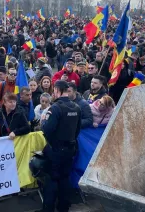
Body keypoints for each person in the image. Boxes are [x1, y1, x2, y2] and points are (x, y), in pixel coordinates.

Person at [41, 80, 81, 212]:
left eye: (54, 90)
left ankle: (49, 209)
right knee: (65, 179)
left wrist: (43, 122)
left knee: (52, 179)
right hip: (70, 149)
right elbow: (77, 130)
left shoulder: (55, 108)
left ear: (57, 90)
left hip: (56, 149)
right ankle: (63, 207)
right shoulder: (76, 107)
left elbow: (47, 129)